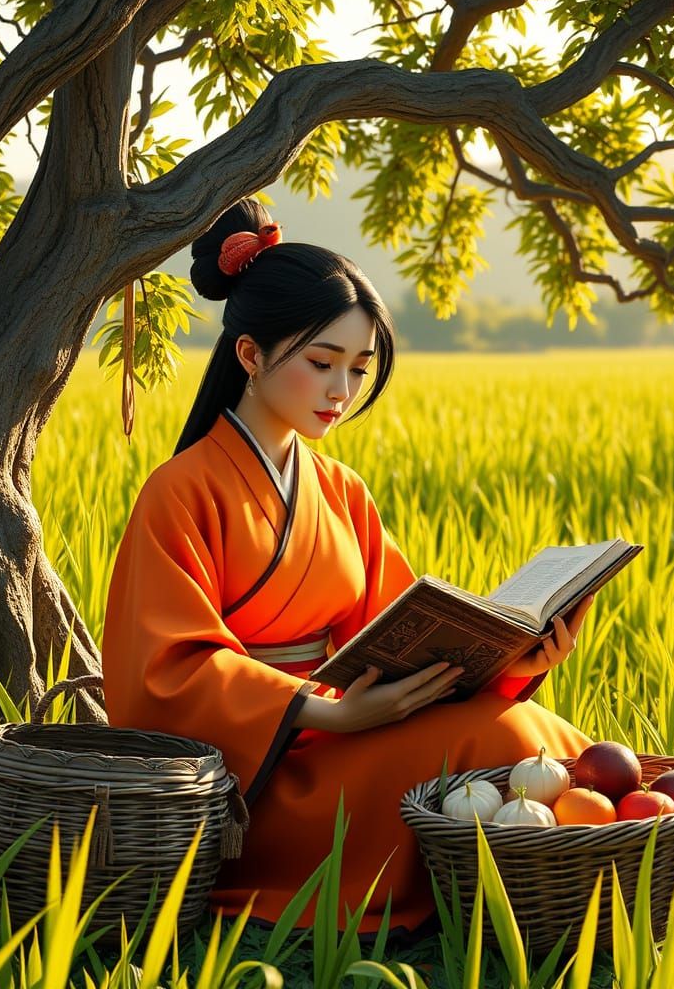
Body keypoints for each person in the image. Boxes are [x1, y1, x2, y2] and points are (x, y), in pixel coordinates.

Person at [102, 197, 594, 943]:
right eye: (322, 363)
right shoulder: (180, 492)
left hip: (344, 737)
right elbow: (168, 671)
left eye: (358, 369)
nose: (341, 390)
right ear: (250, 355)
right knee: (501, 746)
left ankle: (587, 885)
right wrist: (320, 709)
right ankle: (560, 907)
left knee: (531, 728)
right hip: (260, 786)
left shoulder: (340, 490)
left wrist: (519, 653)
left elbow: (402, 633)